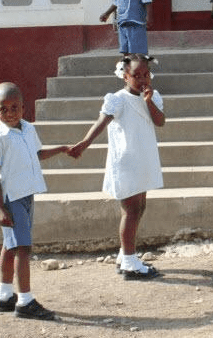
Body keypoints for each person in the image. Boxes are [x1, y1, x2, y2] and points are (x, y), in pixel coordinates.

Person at [68, 54, 165, 280]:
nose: (142, 80)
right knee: (130, 211)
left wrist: (149, 102)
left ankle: (125, 254)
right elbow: (101, 122)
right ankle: (130, 263)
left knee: (140, 207)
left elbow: (160, 122)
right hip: (126, 162)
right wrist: (84, 143)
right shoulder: (117, 99)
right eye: (136, 75)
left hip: (144, 159)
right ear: (125, 76)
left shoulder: (153, 96)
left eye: (145, 75)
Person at [0, 82, 69, 320]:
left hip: (27, 194)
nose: (10, 113)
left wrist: (62, 149)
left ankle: (4, 296)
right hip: (11, 198)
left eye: (15, 107)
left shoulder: (29, 129)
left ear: (23, 107)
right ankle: (25, 301)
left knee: (10, 246)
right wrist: (0, 207)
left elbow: (38, 154)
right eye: (4, 109)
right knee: (23, 248)